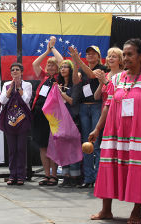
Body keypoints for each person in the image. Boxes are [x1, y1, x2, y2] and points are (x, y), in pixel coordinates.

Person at [88, 38, 141, 224]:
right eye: (124, 55)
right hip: (116, 132)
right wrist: (97, 129)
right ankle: (106, 210)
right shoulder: (117, 79)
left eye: (129, 54)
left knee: (138, 169)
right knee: (109, 167)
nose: (125, 58)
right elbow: (107, 106)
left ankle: (136, 210)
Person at [69, 45, 108, 188]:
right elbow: (75, 81)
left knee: (96, 143)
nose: (90, 55)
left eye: (93, 53)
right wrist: (74, 63)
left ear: (98, 56)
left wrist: (77, 59)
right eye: (88, 54)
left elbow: (91, 74)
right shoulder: (80, 68)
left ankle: (99, 178)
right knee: (86, 144)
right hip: (84, 107)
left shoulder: (102, 69)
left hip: (97, 106)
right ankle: (89, 178)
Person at [31, 36, 64, 186]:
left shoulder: (59, 78)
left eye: (53, 66)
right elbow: (35, 63)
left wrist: (53, 48)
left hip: (53, 115)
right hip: (39, 114)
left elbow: (62, 61)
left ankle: (54, 175)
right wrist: (46, 51)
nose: (50, 68)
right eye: (49, 66)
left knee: (53, 145)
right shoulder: (43, 76)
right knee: (43, 145)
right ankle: (46, 174)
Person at [0, 62, 32, 185]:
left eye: (17, 69)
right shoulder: (6, 84)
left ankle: (21, 176)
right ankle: (12, 175)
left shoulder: (27, 84)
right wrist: (10, 88)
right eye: (12, 70)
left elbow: (27, 99)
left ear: (22, 72)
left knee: (21, 148)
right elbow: (2, 100)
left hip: (22, 119)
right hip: (10, 120)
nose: (15, 71)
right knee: (12, 149)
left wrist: (19, 88)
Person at [55, 59, 81, 187]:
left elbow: (72, 101)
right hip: (60, 120)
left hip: (72, 119)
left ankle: (75, 176)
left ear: (71, 70)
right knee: (63, 149)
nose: (63, 69)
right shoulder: (58, 84)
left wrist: (61, 93)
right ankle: (65, 176)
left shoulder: (75, 84)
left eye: (66, 67)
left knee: (72, 149)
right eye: (61, 67)